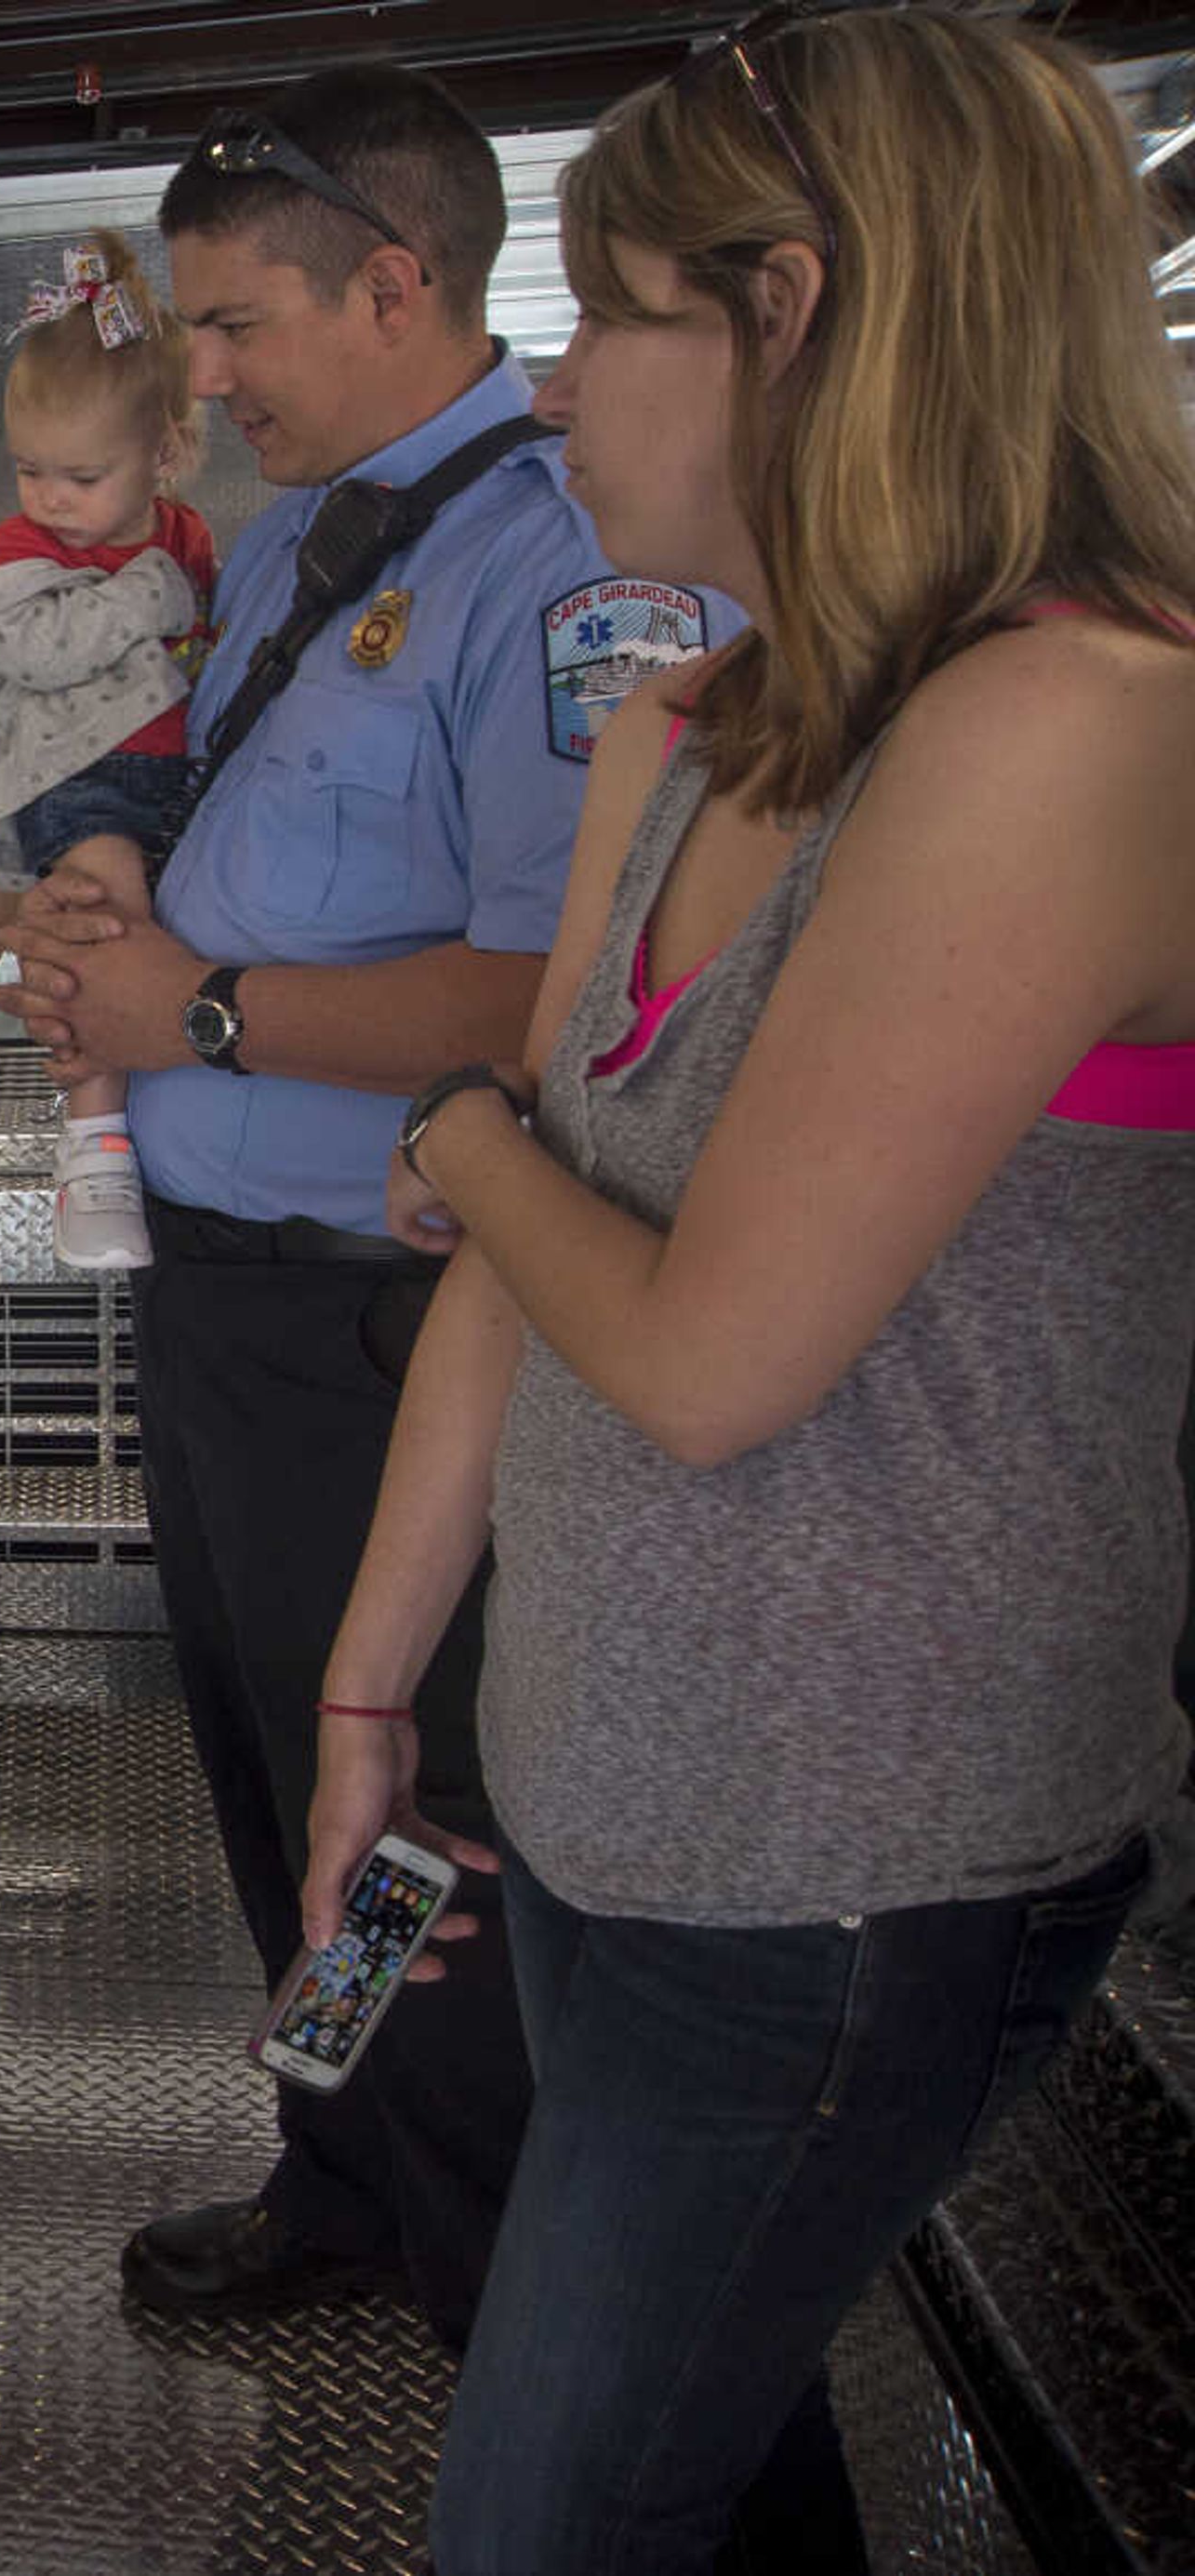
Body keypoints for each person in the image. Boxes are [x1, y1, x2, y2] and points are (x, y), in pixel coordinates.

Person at [292, 14, 1195, 2566]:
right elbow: (535, 1275)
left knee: (545, 2524)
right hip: (614, 1794)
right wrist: (381, 1685)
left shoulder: (1075, 726)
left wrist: (458, 1129)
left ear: (795, 312)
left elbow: (699, 1354)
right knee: (710, 2456)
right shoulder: (689, 724)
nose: (561, 387)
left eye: (608, 315)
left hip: (846, 1861)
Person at [0, 61, 728, 2348]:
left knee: (409, 1817)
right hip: (220, 1308)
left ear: (393, 283)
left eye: (231, 330)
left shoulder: (554, 565)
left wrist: (189, 1015)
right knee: (267, 1775)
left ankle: (492, 2269)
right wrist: (113, 874)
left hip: (386, 1330)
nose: (196, 380)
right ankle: (336, 2155)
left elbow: (554, 988)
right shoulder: (322, 545)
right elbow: (220, 798)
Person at [0, 228, 219, 1269]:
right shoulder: (20, 550)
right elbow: (36, 650)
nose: (50, 498)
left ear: (164, 455)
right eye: (30, 470)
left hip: (176, 776)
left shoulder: (185, 533)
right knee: (96, 924)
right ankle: (93, 1141)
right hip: (80, 782)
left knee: (155, 934)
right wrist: (150, 594)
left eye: (82, 475)